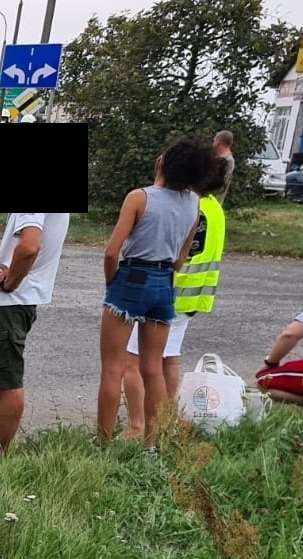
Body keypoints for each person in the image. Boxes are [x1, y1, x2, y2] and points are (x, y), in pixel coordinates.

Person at [95, 139, 216, 448]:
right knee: (154, 368)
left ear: (163, 163)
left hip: (131, 277)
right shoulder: (194, 204)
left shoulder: (139, 198)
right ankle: (152, 445)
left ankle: (103, 443)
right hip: (164, 283)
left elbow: (112, 253)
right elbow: (180, 259)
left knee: (113, 368)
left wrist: (114, 285)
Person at [120, 154, 230, 432]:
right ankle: (166, 421)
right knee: (168, 358)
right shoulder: (214, 207)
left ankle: (138, 427)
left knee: (132, 361)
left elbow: (175, 249)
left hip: (167, 291)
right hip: (191, 296)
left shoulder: (191, 207)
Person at [0, 212, 71, 457]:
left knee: (8, 381)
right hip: (19, 300)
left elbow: (29, 246)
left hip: (10, 301)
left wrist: (10, 282)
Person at [213, 130, 235, 201]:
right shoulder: (218, 157)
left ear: (218, 142)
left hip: (213, 202)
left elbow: (219, 185)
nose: (212, 143)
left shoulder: (228, 161)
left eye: (214, 141)